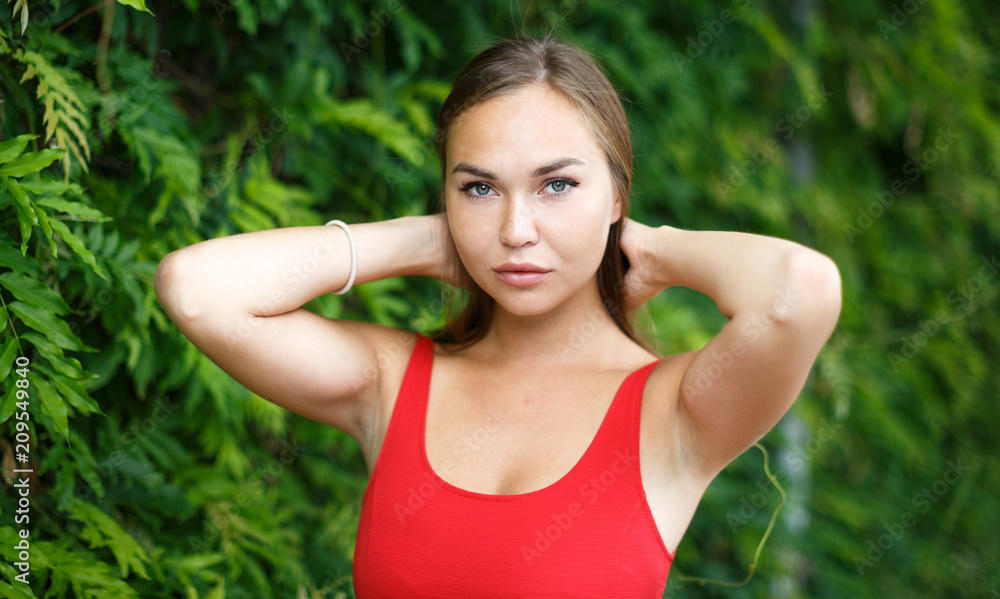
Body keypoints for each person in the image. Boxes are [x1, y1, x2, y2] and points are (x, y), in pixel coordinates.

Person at [154, 33, 841, 598]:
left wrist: (655, 250)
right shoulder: (391, 380)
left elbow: (799, 288)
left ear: (615, 194)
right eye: (479, 187)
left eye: (558, 185)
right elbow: (196, 288)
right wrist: (426, 240)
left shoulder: (672, 410)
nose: (516, 229)